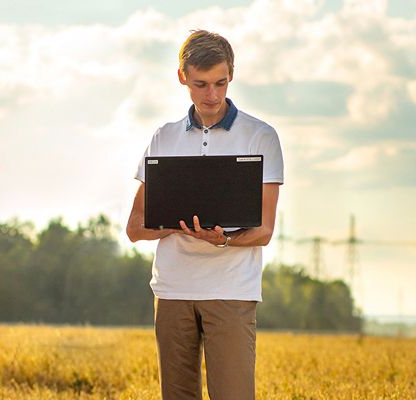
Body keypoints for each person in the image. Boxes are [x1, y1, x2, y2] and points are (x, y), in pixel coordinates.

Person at [125, 30, 284, 400]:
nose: (212, 96)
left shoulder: (261, 137)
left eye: (220, 83)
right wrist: (174, 223)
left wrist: (224, 239)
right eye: (200, 84)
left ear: (232, 74)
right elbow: (134, 227)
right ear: (182, 77)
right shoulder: (163, 138)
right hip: (172, 291)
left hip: (231, 290)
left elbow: (264, 230)